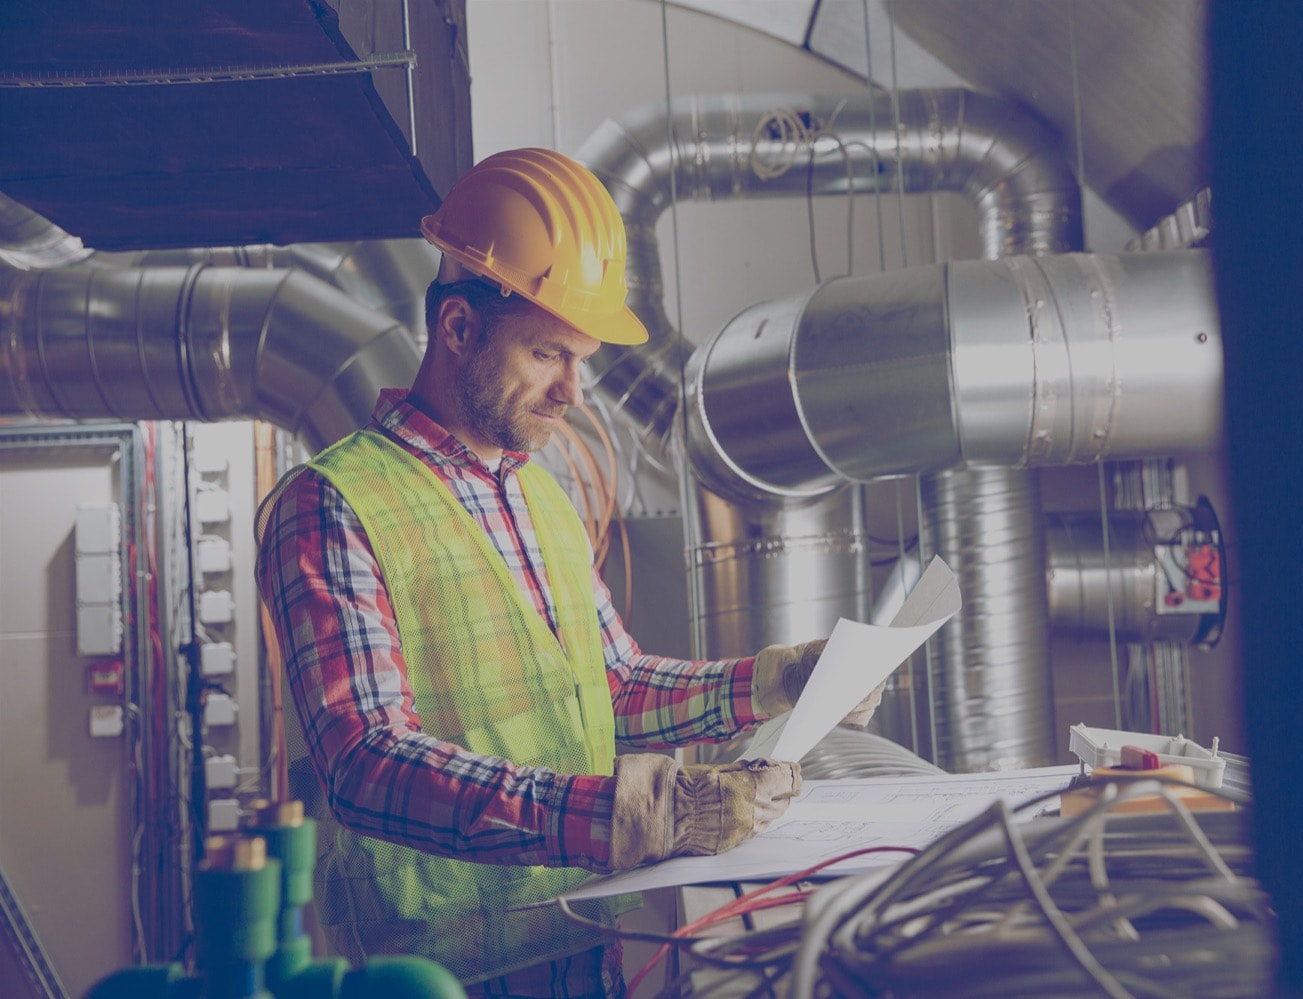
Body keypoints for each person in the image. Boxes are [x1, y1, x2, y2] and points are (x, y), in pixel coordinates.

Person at [254, 147, 880, 998]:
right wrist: (639, 814)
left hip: (583, 946)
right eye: (550, 354)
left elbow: (613, 684)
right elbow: (367, 762)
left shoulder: (541, 496)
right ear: (460, 329)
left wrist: (777, 681)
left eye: (579, 360)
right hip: (433, 976)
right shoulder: (332, 503)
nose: (573, 392)